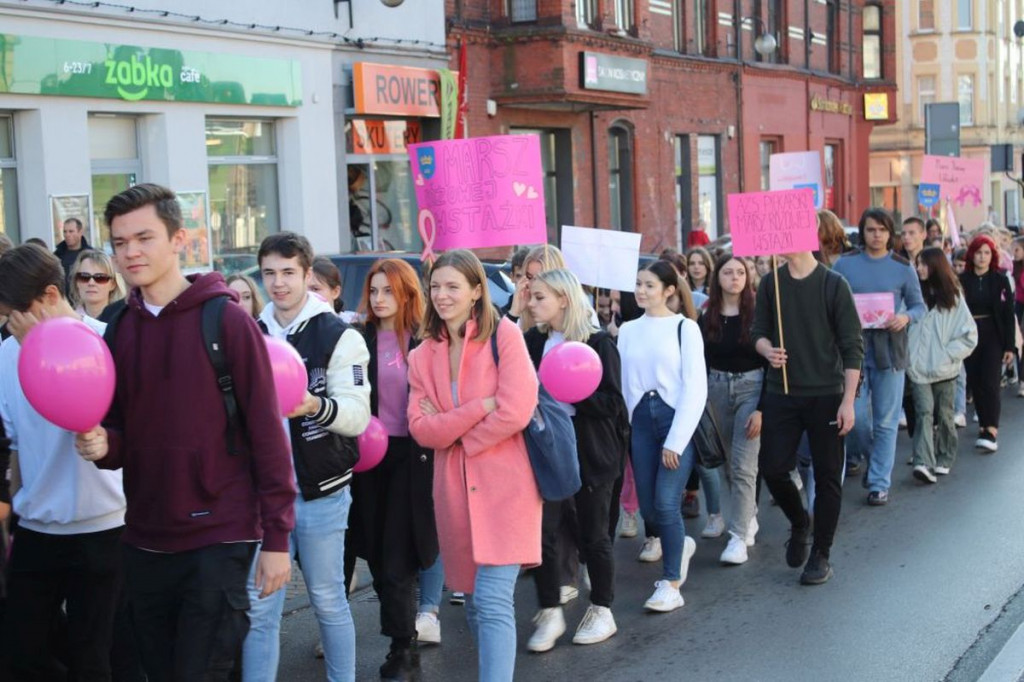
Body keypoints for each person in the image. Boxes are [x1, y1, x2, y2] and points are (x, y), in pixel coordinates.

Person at [74, 184, 296, 680]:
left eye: (144, 237)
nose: (130, 252)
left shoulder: (227, 321)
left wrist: (278, 538)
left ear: (178, 240)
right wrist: (105, 445)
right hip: (144, 539)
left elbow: (267, 435)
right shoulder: (120, 328)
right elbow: (124, 429)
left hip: (218, 537)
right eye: (120, 241)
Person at [407, 249, 540, 682]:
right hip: (453, 492)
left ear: (476, 291)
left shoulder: (504, 336)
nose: (442, 295)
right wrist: (477, 408)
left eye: (453, 286)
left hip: (507, 486)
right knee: (473, 601)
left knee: (493, 599)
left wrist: (458, 435)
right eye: (436, 286)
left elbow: (517, 409)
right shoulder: (422, 355)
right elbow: (422, 429)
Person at [244, 233, 371, 682]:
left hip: (321, 494)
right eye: (269, 274)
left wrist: (314, 406)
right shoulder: (250, 333)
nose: (278, 284)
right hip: (263, 499)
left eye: (288, 273)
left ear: (307, 274)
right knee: (260, 610)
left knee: (328, 600)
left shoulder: (337, 334)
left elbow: (357, 416)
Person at [0, 244, 127, 680]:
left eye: (17, 311)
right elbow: (16, 444)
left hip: (104, 526)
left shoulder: (107, 341)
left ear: (52, 295)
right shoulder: (5, 355)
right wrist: (13, 508)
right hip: (37, 525)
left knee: (94, 657)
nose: (9, 323)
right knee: (21, 652)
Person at [523, 268, 628, 651]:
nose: (532, 304)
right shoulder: (532, 342)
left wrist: (573, 391)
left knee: (593, 535)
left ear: (563, 299)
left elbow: (614, 404)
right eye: (531, 296)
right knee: (542, 533)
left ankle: (602, 608)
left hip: (591, 453)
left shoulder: (598, 343)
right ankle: (550, 610)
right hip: (547, 451)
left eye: (540, 297)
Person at [347, 258, 439, 679]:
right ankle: (402, 636)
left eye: (389, 291)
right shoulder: (356, 338)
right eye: (374, 290)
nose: (380, 299)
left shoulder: (424, 339)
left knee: (398, 553)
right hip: (366, 459)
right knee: (378, 557)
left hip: (412, 457)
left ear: (407, 293)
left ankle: (404, 649)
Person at [752, 247, 863, 585]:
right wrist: (767, 349)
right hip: (781, 393)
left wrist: (848, 401)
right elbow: (758, 331)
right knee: (772, 468)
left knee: (828, 476)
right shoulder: (770, 282)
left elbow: (852, 346)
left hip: (826, 394)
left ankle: (821, 554)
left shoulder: (834, 284)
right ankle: (800, 521)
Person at [617, 260, 706, 612]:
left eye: (649, 285)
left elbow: (695, 389)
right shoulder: (627, 330)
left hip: (673, 420)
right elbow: (624, 385)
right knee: (651, 509)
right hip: (639, 422)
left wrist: (676, 440)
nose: (641, 290)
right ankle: (679, 543)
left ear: (669, 290)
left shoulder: (686, 328)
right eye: (638, 284)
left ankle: (670, 583)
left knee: (668, 503)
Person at [832, 208, 925, 506]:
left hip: (890, 351)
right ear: (863, 231)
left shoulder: (902, 266)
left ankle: (879, 482)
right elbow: (830, 301)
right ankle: (873, 459)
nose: (876, 235)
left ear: (890, 233)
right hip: (853, 353)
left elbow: (919, 306)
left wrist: (905, 318)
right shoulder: (845, 265)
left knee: (886, 420)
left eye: (882, 230)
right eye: (871, 229)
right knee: (856, 416)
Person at [698, 256, 765, 565]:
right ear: (718, 278)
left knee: (743, 463)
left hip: (751, 387)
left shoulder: (760, 313)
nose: (735, 277)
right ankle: (747, 513)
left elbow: (771, 363)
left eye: (740, 272)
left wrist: (763, 409)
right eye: (728, 272)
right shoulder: (706, 316)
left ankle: (737, 536)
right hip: (716, 389)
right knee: (726, 462)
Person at [907, 248, 977, 481]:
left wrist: (947, 354)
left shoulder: (953, 297)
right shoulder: (913, 294)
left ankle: (944, 456)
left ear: (936, 265)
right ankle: (923, 462)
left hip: (945, 369)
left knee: (945, 415)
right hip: (917, 368)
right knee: (924, 412)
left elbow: (969, 334)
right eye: (918, 264)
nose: (919, 269)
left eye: (924, 264)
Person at [959, 235, 1016, 452]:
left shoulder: (1000, 279)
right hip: (969, 334)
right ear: (971, 254)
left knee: (991, 382)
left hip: (993, 333)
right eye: (978, 252)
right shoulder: (962, 280)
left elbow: (1008, 314)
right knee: (975, 381)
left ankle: (991, 429)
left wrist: (1009, 346)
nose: (982, 257)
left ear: (992, 256)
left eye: (986, 253)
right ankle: (983, 423)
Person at [68, 249, 124, 321]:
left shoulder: (123, 320)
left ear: (113, 284)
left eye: (100, 277)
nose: (91, 283)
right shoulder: (68, 323)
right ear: (76, 282)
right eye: (84, 277)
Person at [54, 217, 90, 288]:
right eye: (65, 231)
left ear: (80, 232)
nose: (67, 235)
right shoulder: (57, 256)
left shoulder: (90, 255)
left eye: (71, 231)